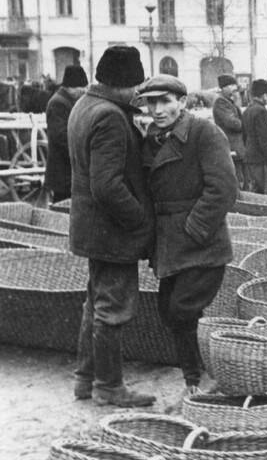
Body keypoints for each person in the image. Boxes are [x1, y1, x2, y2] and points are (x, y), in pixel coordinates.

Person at [137, 74, 238, 408]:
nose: (158, 109)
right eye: (152, 103)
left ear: (182, 102)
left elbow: (223, 188)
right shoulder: (151, 138)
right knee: (169, 311)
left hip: (202, 244)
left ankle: (197, 383)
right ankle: (201, 378)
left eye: (165, 101)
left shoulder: (204, 133)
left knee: (182, 310)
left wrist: (194, 229)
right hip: (168, 244)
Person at [68, 46, 156, 407]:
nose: (138, 92)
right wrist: (139, 220)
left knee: (96, 303)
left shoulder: (84, 106)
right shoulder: (109, 117)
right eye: (135, 85)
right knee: (112, 308)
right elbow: (107, 185)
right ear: (121, 84)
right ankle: (109, 385)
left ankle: (85, 378)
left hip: (91, 229)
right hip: (111, 232)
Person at [44, 65, 88, 203]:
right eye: (81, 88)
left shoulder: (67, 101)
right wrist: (83, 149)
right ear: (70, 87)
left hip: (67, 171)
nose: (84, 92)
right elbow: (60, 136)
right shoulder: (58, 103)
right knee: (62, 209)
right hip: (62, 172)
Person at [242, 79, 267, 196]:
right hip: (262, 160)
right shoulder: (261, 111)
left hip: (250, 158)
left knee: (257, 192)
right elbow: (265, 140)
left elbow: (244, 136)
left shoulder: (247, 110)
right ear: (264, 95)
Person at [212, 74, 245, 189]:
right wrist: (247, 125)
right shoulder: (221, 102)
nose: (234, 88)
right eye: (231, 85)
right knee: (237, 180)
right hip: (231, 145)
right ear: (224, 87)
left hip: (237, 146)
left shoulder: (229, 101)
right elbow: (232, 123)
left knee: (242, 179)